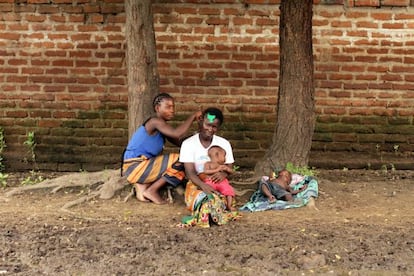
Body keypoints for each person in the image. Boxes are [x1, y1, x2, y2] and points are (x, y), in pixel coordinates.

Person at [121, 93, 202, 204]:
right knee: (183, 159)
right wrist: (192, 117)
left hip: (140, 167)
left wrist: (199, 134)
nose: (172, 110)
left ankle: (144, 185)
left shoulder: (162, 128)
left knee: (184, 158)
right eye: (168, 107)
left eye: (173, 107)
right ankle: (152, 190)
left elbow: (181, 143)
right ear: (158, 108)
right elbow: (177, 134)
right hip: (134, 166)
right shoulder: (154, 122)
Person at [179, 107, 239, 227]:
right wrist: (203, 185)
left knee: (223, 198)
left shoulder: (224, 143)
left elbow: (228, 166)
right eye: (208, 124)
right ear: (200, 122)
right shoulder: (188, 144)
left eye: (214, 126)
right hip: (196, 184)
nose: (210, 129)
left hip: (219, 183)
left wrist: (222, 174)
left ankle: (216, 212)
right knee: (204, 200)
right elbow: (190, 173)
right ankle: (208, 214)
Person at [199, 145, 235, 211]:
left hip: (222, 182)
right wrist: (216, 170)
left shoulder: (223, 165)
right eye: (224, 156)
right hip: (211, 181)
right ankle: (213, 201)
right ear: (216, 155)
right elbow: (206, 171)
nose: (225, 158)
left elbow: (232, 171)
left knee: (229, 190)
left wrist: (227, 169)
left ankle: (229, 205)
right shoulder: (208, 164)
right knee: (208, 190)